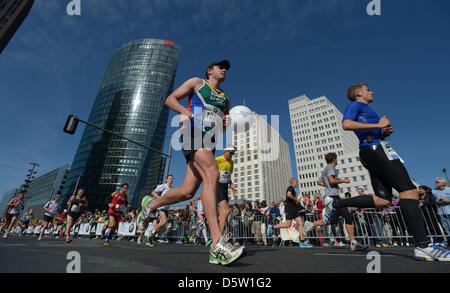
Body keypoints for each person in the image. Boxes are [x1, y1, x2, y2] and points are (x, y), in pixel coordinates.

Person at [323, 84, 449, 261]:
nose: (372, 91)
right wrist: (379, 124)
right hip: (374, 149)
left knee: (383, 200)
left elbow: (369, 129)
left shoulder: (365, 109)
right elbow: (346, 124)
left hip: (373, 148)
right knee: (409, 191)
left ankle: (336, 205)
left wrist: (383, 132)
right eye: (368, 89)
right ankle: (423, 246)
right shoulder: (356, 105)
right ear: (359, 93)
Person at [137, 60, 243, 265]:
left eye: (227, 68)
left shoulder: (226, 99)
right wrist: (185, 112)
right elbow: (170, 100)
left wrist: (225, 123)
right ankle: (216, 245)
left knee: (187, 192)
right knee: (212, 174)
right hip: (192, 134)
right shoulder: (198, 83)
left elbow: (220, 128)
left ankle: (151, 204)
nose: (224, 69)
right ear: (209, 70)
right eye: (220, 66)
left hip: (208, 143)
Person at [303, 153, 367, 251]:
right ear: (334, 159)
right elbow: (332, 180)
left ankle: (353, 242)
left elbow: (320, 182)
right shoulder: (331, 168)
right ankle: (311, 224)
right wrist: (343, 181)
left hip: (332, 196)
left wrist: (329, 186)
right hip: (332, 198)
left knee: (336, 219)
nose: (337, 161)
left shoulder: (326, 169)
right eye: (336, 159)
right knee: (338, 218)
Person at [273, 178, 312, 247]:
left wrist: (297, 202)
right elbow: (288, 194)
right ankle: (273, 227)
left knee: (301, 223)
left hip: (294, 209)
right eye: (296, 182)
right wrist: (295, 199)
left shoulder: (293, 189)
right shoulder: (290, 187)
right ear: (293, 182)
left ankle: (302, 242)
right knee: (288, 225)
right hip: (290, 209)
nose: (297, 183)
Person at [137, 175, 174, 246]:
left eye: (172, 179)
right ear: (166, 180)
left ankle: (149, 239)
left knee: (158, 228)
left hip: (166, 208)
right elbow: (153, 192)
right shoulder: (163, 186)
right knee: (164, 221)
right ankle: (146, 235)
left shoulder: (172, 189)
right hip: (160, 206)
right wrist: (159, 198)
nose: (171, 180)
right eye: (170, 178)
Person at [215, 145, 237, 235]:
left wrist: (231, 184)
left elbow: (228, 175)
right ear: (225, 151)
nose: (231, 155)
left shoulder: (231, 162)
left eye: (233, 153)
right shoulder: (217, 159)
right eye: (230, 153)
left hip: (225, 187)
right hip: (217, 186)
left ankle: (216, 232)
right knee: (226, 210)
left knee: (223, 214)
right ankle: (219, 237)